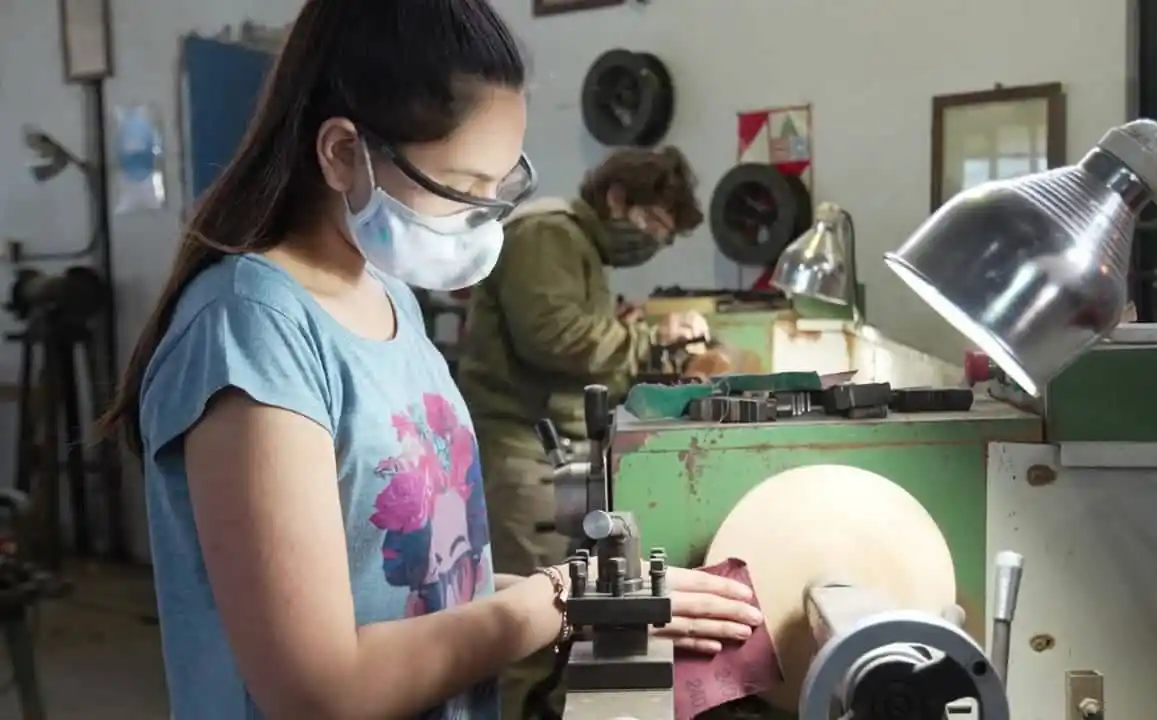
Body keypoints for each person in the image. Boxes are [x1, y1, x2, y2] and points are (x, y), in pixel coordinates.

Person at [98, 2, 761, 718]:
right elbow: (321, 690)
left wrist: (608, 603)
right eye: (463, 187)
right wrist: (562, 597)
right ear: (344, 153)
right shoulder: (251, 332)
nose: (481, 218)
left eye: (498, 188)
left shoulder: (390, 299)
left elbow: (435, 595)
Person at [456, 147, 709, 718]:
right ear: (618, 198)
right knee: (525, 624)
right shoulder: (549, 235)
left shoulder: (582, 249)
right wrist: (654, 343)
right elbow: (558, 338)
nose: (651, 242)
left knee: (556, 621)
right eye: (652, 225)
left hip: (553, 445)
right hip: (521, 449)